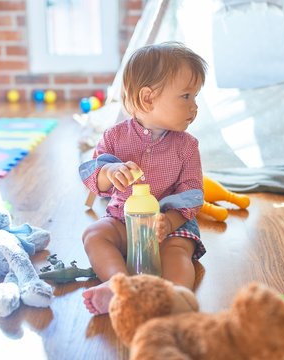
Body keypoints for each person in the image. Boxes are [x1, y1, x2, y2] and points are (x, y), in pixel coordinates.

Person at [78, 41, 207, 315]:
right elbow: (92, 175)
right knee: (94, 234)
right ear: (148, 98)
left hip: (168, 227)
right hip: (124, 222)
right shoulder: (114, 137)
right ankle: (118, 284)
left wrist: (170, 220)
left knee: (177, 252)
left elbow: (193, 192)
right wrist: (110, 173)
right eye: (186, 96)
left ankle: (173, 295)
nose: (194, 106)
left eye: (195, 97)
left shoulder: (187, 146)